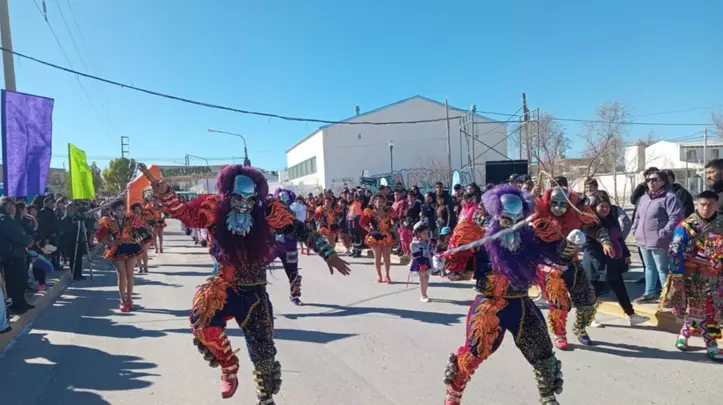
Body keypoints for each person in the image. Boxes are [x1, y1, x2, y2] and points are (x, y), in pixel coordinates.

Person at [138, 163, 350, 403]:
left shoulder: (268, 210)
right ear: (229, 194)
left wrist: (328, 253)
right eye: (238, 198)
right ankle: (229, 367)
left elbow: (301, 230)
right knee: (202, 322)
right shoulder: (214, 207)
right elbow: (187, 214)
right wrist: (166, 193)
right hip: (222, 286)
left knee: (264, 356)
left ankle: (265, 398)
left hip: (255, 293)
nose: (243, 204)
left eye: (249, 199)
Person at [442, 185, 564, 405]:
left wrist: (566, 245)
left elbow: (558, 255)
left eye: (518, 217)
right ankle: (454, 393)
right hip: (489, 303)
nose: (513, 223)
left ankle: (548, 396)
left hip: (520, 303)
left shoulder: (530, 239)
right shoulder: (481, 238)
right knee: (475, 350)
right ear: (497, 214)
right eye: (507, 218)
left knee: (542, 349)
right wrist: (449, 263)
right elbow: (458, 266)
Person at [532, 186, 612, 349]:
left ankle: (580, 328)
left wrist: (605, 241)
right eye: (555, 203)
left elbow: (594, 227)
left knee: (588, 299)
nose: (558, 207)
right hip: (550, 267)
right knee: (559, 303)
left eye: (563, 204)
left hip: (572, 264)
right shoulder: (538, 214)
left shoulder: (576, 214)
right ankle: (560, 334)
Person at [666, 190, 723, 361]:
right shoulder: (686, 226)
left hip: (717, 278)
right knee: (706, 311)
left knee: (701, 311)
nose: (706, 208)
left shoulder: (721, 224)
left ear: (716, 205)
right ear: (697, 204)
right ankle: (711, 345)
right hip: (694, 277)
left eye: (710, 205)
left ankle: (683, 335)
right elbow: (674, 250)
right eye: (703, 204)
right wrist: (677, 275)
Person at [583, 191, 649, 326]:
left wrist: (626, 254)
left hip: (612, 261)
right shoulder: (589, 222)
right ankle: (588, 317)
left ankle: (631, 315)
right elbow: (587, 245)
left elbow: (618, 238)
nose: (605, 209)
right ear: (594, 207)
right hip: (596, 263)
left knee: (620, 289)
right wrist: (603, 249)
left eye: (607, 206)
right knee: (595, 291)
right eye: (601, 206)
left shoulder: (612, 219)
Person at [631, 168, 684, 303]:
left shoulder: (669, 197)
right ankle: (649, 293)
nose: (651, 182)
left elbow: (676, 218)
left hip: (660, 241)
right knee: (649, 267)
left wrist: (663, 233)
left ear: (663, 181)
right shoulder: (644, 198)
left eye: (654, 180)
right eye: (648, 180)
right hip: (643, 240)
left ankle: (667, 296)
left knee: (662, 269)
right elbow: (637, 216)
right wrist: (635, 230)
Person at [96, 200, 143, 312]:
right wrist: (110, 243)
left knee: (130, 273)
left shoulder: (132, 219)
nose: (122, 212)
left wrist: (134, 240)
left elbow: (144, 232)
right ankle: (122, 300)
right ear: (113, 211)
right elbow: (99, 236)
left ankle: (129, 299)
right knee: (121, 274)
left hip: (131, 248)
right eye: (119, 210)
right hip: (117, 249)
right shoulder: (107, 221)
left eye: (123, 209)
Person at [0, 197, 35, 315]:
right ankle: (16, 306)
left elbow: (21, 232)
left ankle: (22, 302)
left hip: (18, 254)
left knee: (21, 281)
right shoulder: (4, 219)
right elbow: (16, 235)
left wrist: (28, 239)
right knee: (14, 283)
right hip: (11, 256)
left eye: (13, 205)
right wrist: (27, 241)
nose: (12, 208)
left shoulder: (11, 219)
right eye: (8, 205)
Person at [272, 188, 303, 305]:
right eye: (281, 200)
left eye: (286, 200)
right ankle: (258, 296)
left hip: (290, 247)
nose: (284, 202)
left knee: (293, 271)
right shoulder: (271, 212)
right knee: (258, 268)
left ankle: (295, 295)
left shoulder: (295, 212)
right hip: (274, 247)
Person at [360, 193, 397, 284]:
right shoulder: (369, 212)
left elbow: (396, 219)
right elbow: (362, 223)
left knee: (387, 257)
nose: (380, 203)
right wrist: (369, 230)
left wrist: (392, 227)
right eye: (378, 202)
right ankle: (379, 275)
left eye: (382, 202)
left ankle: (387, 275)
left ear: (385, 203)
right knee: (377, 257)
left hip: (387, 236)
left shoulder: (388, 211)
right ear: (374, 203)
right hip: (375, 237)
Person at [410, 222, 433, 302]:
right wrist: (421, 264)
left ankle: (425, 293)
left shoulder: (427, 241)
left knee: (426, 276)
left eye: (427, 233)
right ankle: (423, 295)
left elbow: (430, 251)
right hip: (420, 262)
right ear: (418, 234)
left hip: (426, 261)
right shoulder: (414, 243)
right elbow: (415, 254)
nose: (426, 235)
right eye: (424, 233)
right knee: (422, 277)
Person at [130, 203, 154, 274]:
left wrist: (150, 229)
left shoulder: (145, 216)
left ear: (141, 209)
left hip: (145, 235)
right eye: (136, 209)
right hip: (136, 236)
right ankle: (140, 268)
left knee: (144, 251)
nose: (138, 211)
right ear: (133, 210)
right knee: (138, 252)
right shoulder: (131, 218)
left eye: (139, 209)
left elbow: (153, 223)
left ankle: (145, 267)